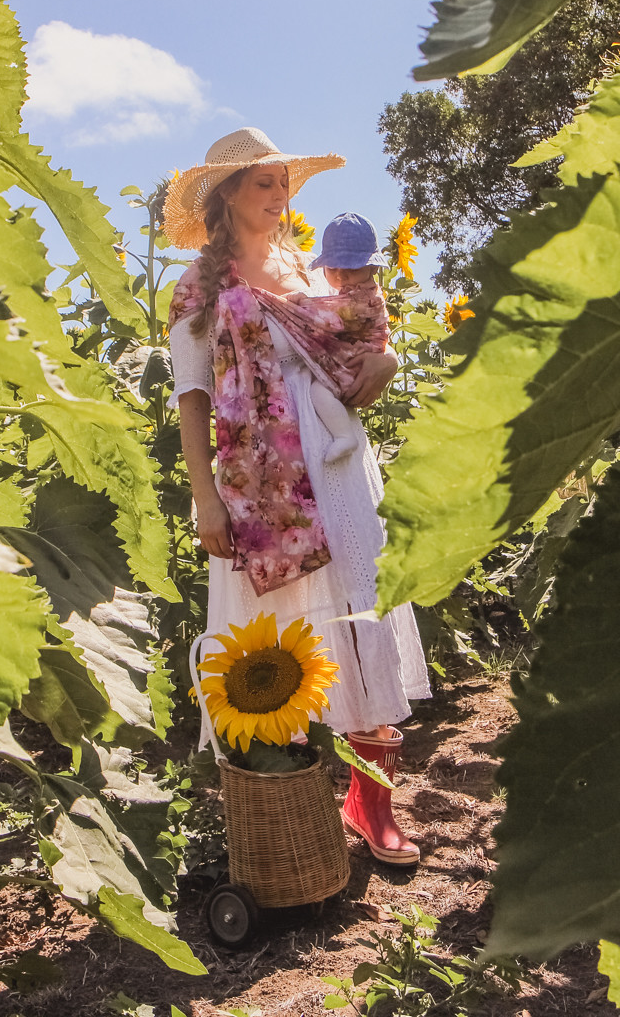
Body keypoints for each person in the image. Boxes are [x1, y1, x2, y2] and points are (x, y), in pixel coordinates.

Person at [164, 127, 430, 866]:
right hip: (260, 489)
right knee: (281, 638)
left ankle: (371, 808)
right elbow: (191, 398)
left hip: (340, 464)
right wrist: (205, 500)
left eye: (285, 183)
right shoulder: (200, 289)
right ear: (227, 195)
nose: (281, 197)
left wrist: (388, 359)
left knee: (362, 615)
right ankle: (293, 816)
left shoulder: (306, 272)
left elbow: (352, 348)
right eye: (264, 183)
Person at [305, 212, 389, 463]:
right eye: (332, 268)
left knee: (319, 391)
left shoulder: (364, 297)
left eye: (350, 267)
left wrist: (300, 304)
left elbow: (327, 316)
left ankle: (343, 436)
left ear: (372, 267)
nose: (340, 275)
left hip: (358, 362)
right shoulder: (357, 289)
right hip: (359, 356)